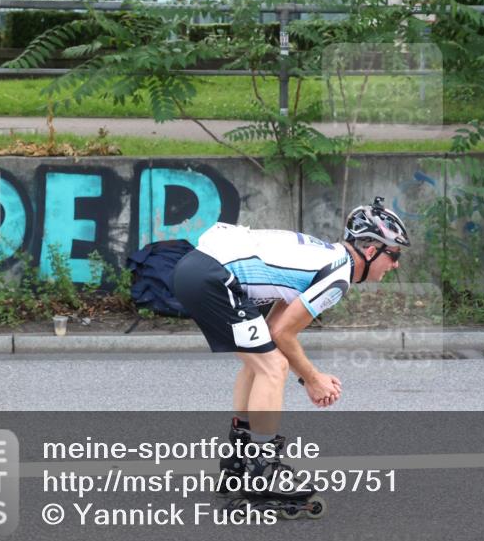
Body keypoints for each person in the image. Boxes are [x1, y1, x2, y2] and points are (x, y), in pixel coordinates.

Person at [172, 196, 410, 493]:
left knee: (260, 361)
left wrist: (309, 375)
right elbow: (284, 334)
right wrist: (312, 380)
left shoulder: (327, 257)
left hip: (197, 269)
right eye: (394, 255)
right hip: (211, 276)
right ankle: (263, 472)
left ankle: (238, 461)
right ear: (373, 251)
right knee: (273, 367)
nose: (396, 264)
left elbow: (273, 331)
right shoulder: (338, 277)